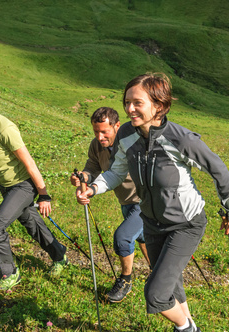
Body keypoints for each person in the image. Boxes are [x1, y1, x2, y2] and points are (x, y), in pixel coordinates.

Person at [76, 73, 229, 332]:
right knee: (171, 285)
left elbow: (217, 169)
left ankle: (187, 329)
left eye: (137, 102)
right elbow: (117, 172)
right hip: (151, 223)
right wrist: (94, 189)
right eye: (127, 102)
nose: (129, 108)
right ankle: (188, 327)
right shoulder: (125, 135)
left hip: (185, 224)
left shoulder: (181, 139)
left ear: (159, 106)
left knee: (156, 294)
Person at [0, 80, 68, 292]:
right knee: (32, 225)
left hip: (24, 186)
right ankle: (59, 255)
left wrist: (43, 194)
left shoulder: (4, 127)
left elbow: (29, 163)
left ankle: (10, 273)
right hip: (5, 186)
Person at [70, 107, 150, 303]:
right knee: (142, 237)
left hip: (145, 201)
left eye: (104, 131)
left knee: (123, 238)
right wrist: (82, 178)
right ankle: (159, 273)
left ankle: (126, 280)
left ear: (116, 126)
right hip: (126, 201)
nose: (100, 136)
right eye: (96, 131)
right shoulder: (96, 146)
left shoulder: (132, 142)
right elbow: (93, 169)